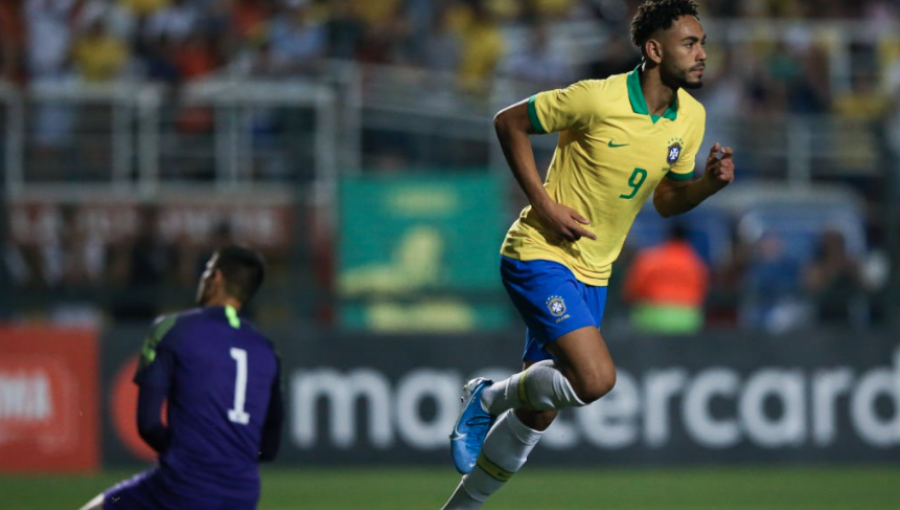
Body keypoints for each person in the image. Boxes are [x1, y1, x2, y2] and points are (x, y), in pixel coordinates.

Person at [441, 1, 735, 508]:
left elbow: (667, 200)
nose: (702, 53)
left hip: (594, 274)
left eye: (702, 42)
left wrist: (707, 185)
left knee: (539, 413)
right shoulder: (597, 98)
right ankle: (487, 396)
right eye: (690, 43)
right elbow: (509, 122)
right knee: (595, 379)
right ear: (654, 50)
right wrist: (544, 202)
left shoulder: (691, 118)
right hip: (538, 253)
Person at [79, 245, 284, 510]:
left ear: (216, 278)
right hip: (242, 495)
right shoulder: (266, 350)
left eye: (207, 269)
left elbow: (149, 424)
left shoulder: (173, 330)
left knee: (107, 503)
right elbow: (269, 448)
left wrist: (186, 456)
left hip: (179, 487)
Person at [623, 222, 709, 334]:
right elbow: (702, 291)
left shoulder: (651, 259)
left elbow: (632, 289)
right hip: (688, 318)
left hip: (654, 315)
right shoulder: (696, 263)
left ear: (667, 236)